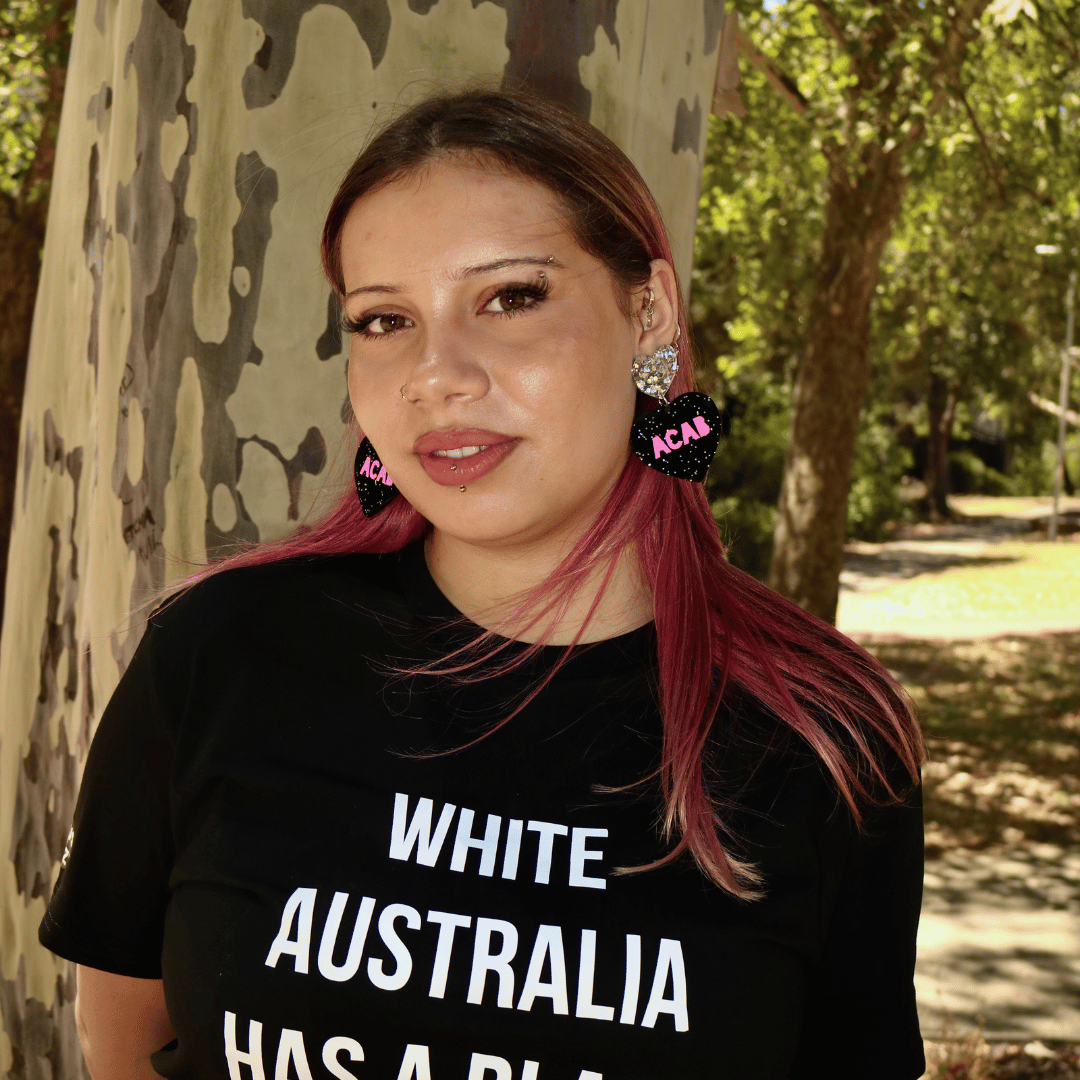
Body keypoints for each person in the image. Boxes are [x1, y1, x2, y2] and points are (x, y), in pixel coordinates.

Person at [39, 89, 925, 1080]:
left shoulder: (823, 734)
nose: (436, 373)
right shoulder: (216, 654)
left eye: (510, 297)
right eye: (383, 319)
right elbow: (121, 1023)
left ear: (650, 315)